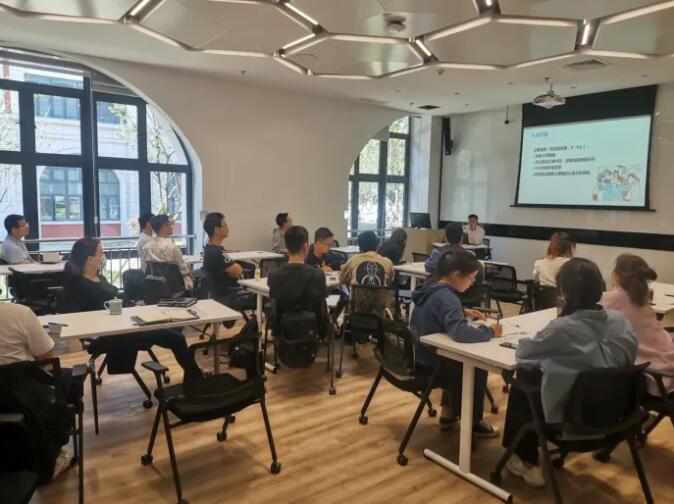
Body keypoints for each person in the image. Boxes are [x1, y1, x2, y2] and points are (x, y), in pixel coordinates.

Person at [501, 258, 637, 487]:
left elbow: (523, 354)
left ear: (563, 291)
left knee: (526, 375)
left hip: (572, 421)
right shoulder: (621, 321)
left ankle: (524, 460)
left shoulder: (562, 328)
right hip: (616, 420)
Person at [62, 237, 200, 375]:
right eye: (101, 253)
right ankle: (195, 376)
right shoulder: (83, 285)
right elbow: (101, 314)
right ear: (90, 259)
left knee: (174, 333)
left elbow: (115, 300)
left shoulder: (97, 277)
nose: (104, 256)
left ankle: (194, 375)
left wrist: (133, 308)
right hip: (121, 332)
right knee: (178, 339)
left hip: (127, 323)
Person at [410, 250, 501, 437]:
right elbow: (460, 333)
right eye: (471, 278)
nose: (472, 283)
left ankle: (449, 414)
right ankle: (473, 423)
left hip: (417, 355)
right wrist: (490, 331)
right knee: (476, 364)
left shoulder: (432, 286)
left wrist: (461, 310)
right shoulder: (447, 298)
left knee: (457, 359)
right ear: (456, 274)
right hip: (431, 364)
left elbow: (437, 309)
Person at [0, 302, 73, 480]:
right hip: (23, 395)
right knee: (68, 377)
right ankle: (56, 444)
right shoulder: (20, 313)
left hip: (9, 398)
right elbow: (47, 360)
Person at [600, 254, 674, 396]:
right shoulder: (643, 298)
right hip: (667, 361)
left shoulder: (613, 298)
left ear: (617, 275)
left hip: (653, 378)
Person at [269, 225, 328, 333]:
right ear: (306, 247)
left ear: (286, 247)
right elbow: (320, 307)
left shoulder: (273, 275)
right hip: (311, 329)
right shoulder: (317, 274)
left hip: (283, 331)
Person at [202, 212, 255, 311]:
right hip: (227, 296)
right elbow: (238, 270)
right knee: (263, 297)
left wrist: (231, 272)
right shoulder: (216, 253)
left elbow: (233, 271)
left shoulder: (211, 249)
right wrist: (232, 272)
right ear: (216, 230)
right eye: (224, 225)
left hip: (220, 294)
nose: (228, 228)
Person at [141, 214, 193, 291]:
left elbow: (146, 268)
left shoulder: (146, 247)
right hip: (174, 286)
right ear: (163, 227)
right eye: (170, 224)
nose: (172, 227)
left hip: (154, 286)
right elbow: (183, 269)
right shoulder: (172, 247)